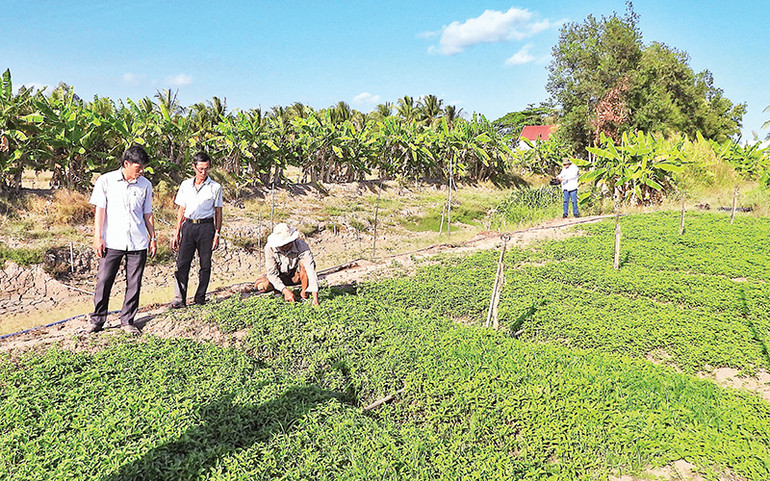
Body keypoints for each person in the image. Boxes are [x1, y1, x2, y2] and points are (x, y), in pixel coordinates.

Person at [87, 144, 156, 335]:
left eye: (143, 168)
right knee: (104, 280)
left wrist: (153, 237)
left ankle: (127, 321)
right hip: (112, 241)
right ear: (126, 163)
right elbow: (100, 210)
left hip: (138, 241)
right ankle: (98, 321)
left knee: (134, 283)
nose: (141, 171)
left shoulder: (145, 185)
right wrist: (97, 236)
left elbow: (147, 213)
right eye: (138, 167)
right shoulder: (106, 181)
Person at [170, 152, 223, 308]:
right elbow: (181, 209)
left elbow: (218, 211)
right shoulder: (186, 185)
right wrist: (177, 232)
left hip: (206, 227)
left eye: (206, 169)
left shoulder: (215, 187)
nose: (203, 172)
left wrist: (217, 234)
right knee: (182, 263)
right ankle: (179, 299)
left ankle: (200, 297)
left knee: (205, 264)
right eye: (200, 169)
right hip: (189, 226)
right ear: (194, 167)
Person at [254, 223, 320, 306]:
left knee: (303, 264)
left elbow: (311, 271)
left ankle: (304, 293)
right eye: (282, 245)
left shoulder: (302, 246)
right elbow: (272, 274)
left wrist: (315, 298)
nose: (285, 246)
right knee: (263, 286)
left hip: (296, 276)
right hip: (281, 276)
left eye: (287, 243)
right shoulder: (269, 248)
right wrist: (285, 290)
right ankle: (278, 292)